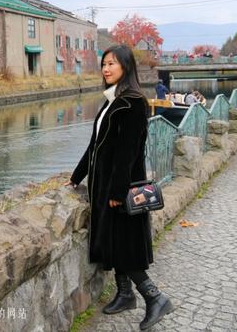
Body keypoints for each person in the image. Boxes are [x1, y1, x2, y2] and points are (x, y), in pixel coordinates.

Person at [66, 45, 174, 330]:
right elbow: (96, 147)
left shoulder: (134, 102)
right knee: (114, 242)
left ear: (126, 66)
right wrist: (77, 176)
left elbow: (127, 152)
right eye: (104, 64)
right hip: (103, 186)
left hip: (120, 188)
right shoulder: (112, 101)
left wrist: (116, 192)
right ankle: (125, 294)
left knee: (124, 245)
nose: (106, 68)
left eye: (112, 64)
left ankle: (155, 298)